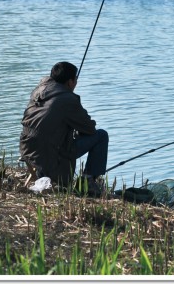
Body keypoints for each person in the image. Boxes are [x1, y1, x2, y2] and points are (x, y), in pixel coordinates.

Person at [19, 61, 108, 195]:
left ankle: (43, 174)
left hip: (26, 148)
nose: (77, 82)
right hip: (48, 154)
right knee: (101, 136)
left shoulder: (39, 90)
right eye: (76, 79)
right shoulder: (67, 99)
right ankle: (87, 181)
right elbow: (90, 129)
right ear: (70, 82)